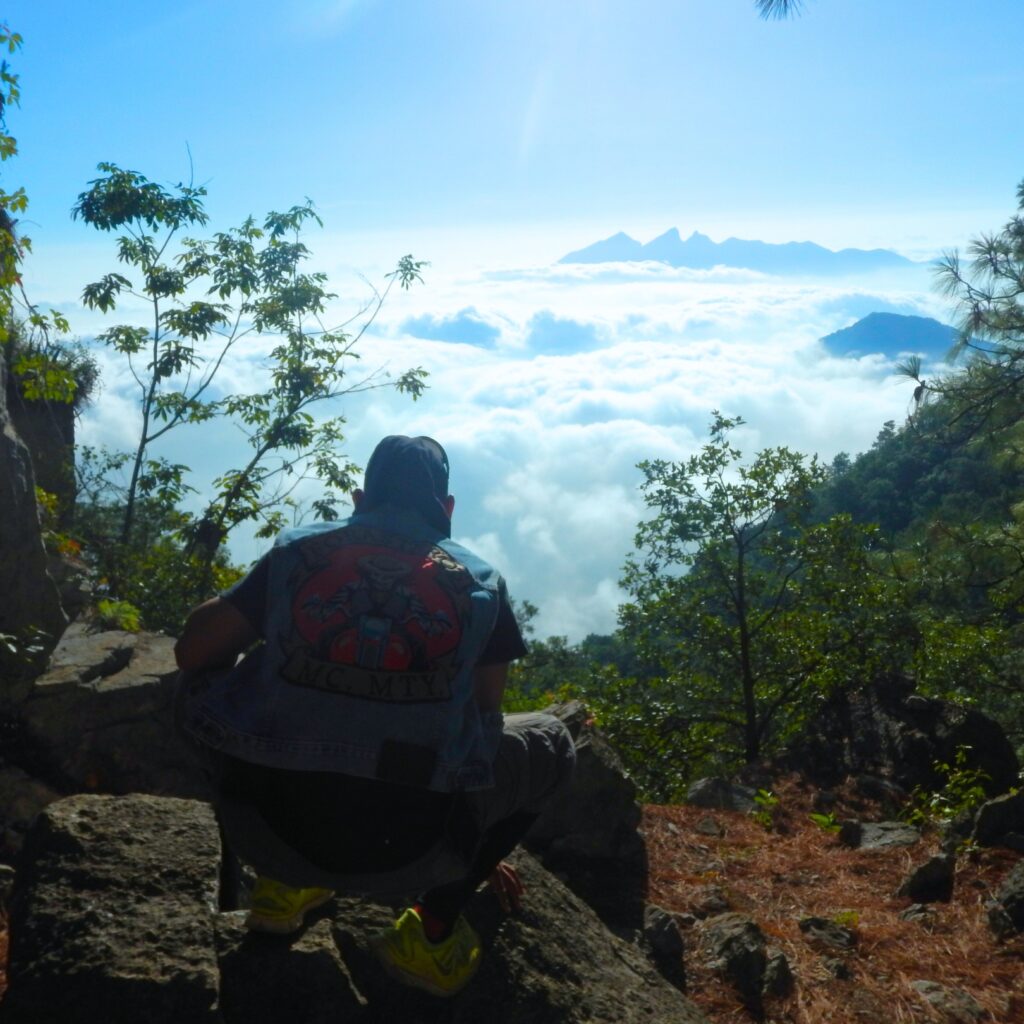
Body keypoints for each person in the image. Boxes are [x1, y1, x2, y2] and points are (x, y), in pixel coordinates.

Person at [174, 435, 575, 997]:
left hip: (263, 831)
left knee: (207, 684)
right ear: (449, 509)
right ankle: (429, 932)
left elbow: (191, 654)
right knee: (553, 741)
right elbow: (485, 721)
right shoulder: (480, 581)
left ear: (360, 499)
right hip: (413, 854)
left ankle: (282, 888)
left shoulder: (297, 553)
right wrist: (476, 836)